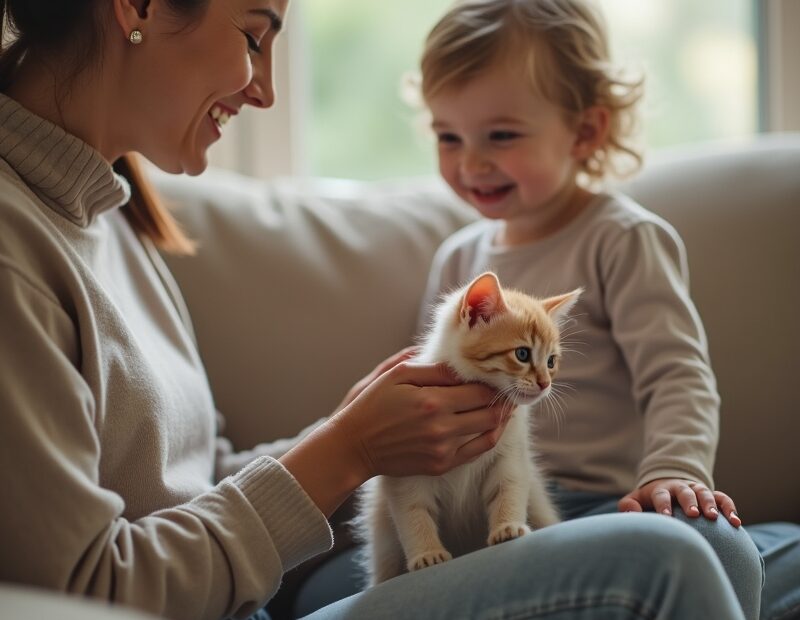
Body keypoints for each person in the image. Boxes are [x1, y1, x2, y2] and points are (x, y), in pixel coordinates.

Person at [0, 1, 774, 620]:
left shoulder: (111, 217)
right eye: (254, 35)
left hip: (278, 574)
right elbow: (79, 594)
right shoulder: (18, 250)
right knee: (670, 562)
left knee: (728, 550)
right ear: (134, 6)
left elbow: (199, 481)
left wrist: (354, 431)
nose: (265, 89)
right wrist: (345, 450)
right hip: (247, 597)